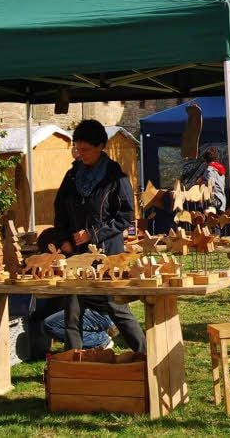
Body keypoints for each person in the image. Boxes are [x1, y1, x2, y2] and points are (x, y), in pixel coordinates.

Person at [53, 119, 146, 353]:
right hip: (76, 255)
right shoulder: (72, 177)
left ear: (100, 146)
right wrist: (64, 238)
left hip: (107, 255)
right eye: (77, 148)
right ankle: (75, 363)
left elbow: (125, 217)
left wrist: (93, 234)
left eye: (85, 149)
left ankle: (145, 354)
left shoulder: (116, 178)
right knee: (72, 312)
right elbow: (60, 209)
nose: (80, 154)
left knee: (117, 308)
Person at [200, 147, 227, 212]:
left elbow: (210, 185)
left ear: (206, 160)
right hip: (221, 199)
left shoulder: (210, 169)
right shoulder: (219, 168)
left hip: (214, 200)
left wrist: (201, 182)